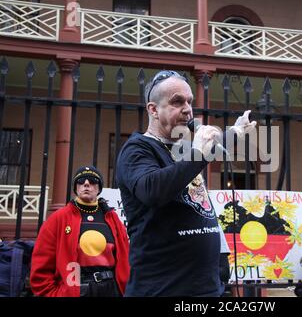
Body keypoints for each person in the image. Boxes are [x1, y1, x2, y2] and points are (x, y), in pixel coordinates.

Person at [115, 70, 256, 296]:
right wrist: (198, 151)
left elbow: (214, 149)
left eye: (189, 101)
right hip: (164, 288)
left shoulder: (183, 151)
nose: (188, 109)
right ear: (153, 109)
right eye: (177, 102)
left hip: (206, 288)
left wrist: (237, 132)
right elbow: (152, 190)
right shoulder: (138, 149)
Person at [30, 166, 130, 297]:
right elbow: (41, 265)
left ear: (99, 188)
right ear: (76, 188)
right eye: (81, 181)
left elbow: (126, 258)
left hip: (111, 289)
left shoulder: (113, 218)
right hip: (76, 289)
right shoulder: (58, 219)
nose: (86, 184)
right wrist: (55, 294)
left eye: (92, 180)